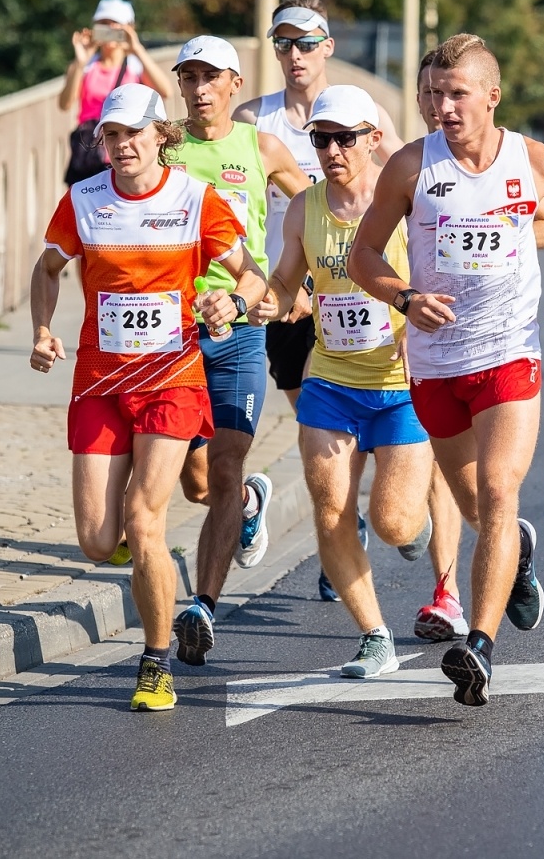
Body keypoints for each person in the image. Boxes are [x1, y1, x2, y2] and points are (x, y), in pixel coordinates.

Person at [350, 34, 544, 706]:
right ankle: (515, 547)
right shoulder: (409, 167)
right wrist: (403, 297)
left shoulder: (536, 161)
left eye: (456, 93)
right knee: (477, 510)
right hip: (436, 365)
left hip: (509, 352)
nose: (442, 106)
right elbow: (362, 254)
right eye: (431, 94)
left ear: (491, 96)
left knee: (496, 490)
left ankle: (480, 647)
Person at [30, 84, 266, 710]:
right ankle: (151, 559)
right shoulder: (82, 200)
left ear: (162, 135)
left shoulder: (196, 199)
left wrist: (234, 300)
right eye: (111, 135)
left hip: (172, 379)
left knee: (144, 521)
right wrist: (43, 330)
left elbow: (252, 270)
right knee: (97, 540)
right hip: (101, 384)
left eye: (133, 133)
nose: (121, 145)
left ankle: (155, 663)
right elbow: (46, 270)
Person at [250, 85, 435, 676]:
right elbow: (285, 282)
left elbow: (440, 274)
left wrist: (415, 331)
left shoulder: (406, 202)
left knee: (394, 523)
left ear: (373, 139)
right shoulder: (305, 208)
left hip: (400, 383)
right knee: (330, 511)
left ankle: (425, 521)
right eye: (321, 139)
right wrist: (267, 302)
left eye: (344, 139)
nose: (332, 150)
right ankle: (375, 636)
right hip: (330, 378)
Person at [161, 36, 310, 667]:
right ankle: (252, 502)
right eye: (188, 77)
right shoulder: (165, 148)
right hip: (170, 333)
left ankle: (203, 606)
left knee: (222, 467)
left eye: (209, 77)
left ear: (232, 82)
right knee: (195, 482)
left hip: (242, 325)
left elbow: (314, 204)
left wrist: (294, 279)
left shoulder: (259, 146)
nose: (198, 88)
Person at [233, 0, 404, 412]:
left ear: (328, 46)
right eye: (283, 44)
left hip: (353, 285)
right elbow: (236, 207)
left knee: (327, 403)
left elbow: (409, 177)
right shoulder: (254, 119)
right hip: (285, 286)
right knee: (309, 412)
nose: (295, 55)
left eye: (307, 43)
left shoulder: (365, 114)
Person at [57, 0, 171, 185]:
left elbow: (165, 91)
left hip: (121, 150)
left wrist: (137, 49)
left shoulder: (135, 65)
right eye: (103, 25)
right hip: (88, 151)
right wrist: (80, 62)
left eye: (115, 25)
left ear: (129, 28)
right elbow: (65, 104)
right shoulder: (85, 66)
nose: (109, 30)